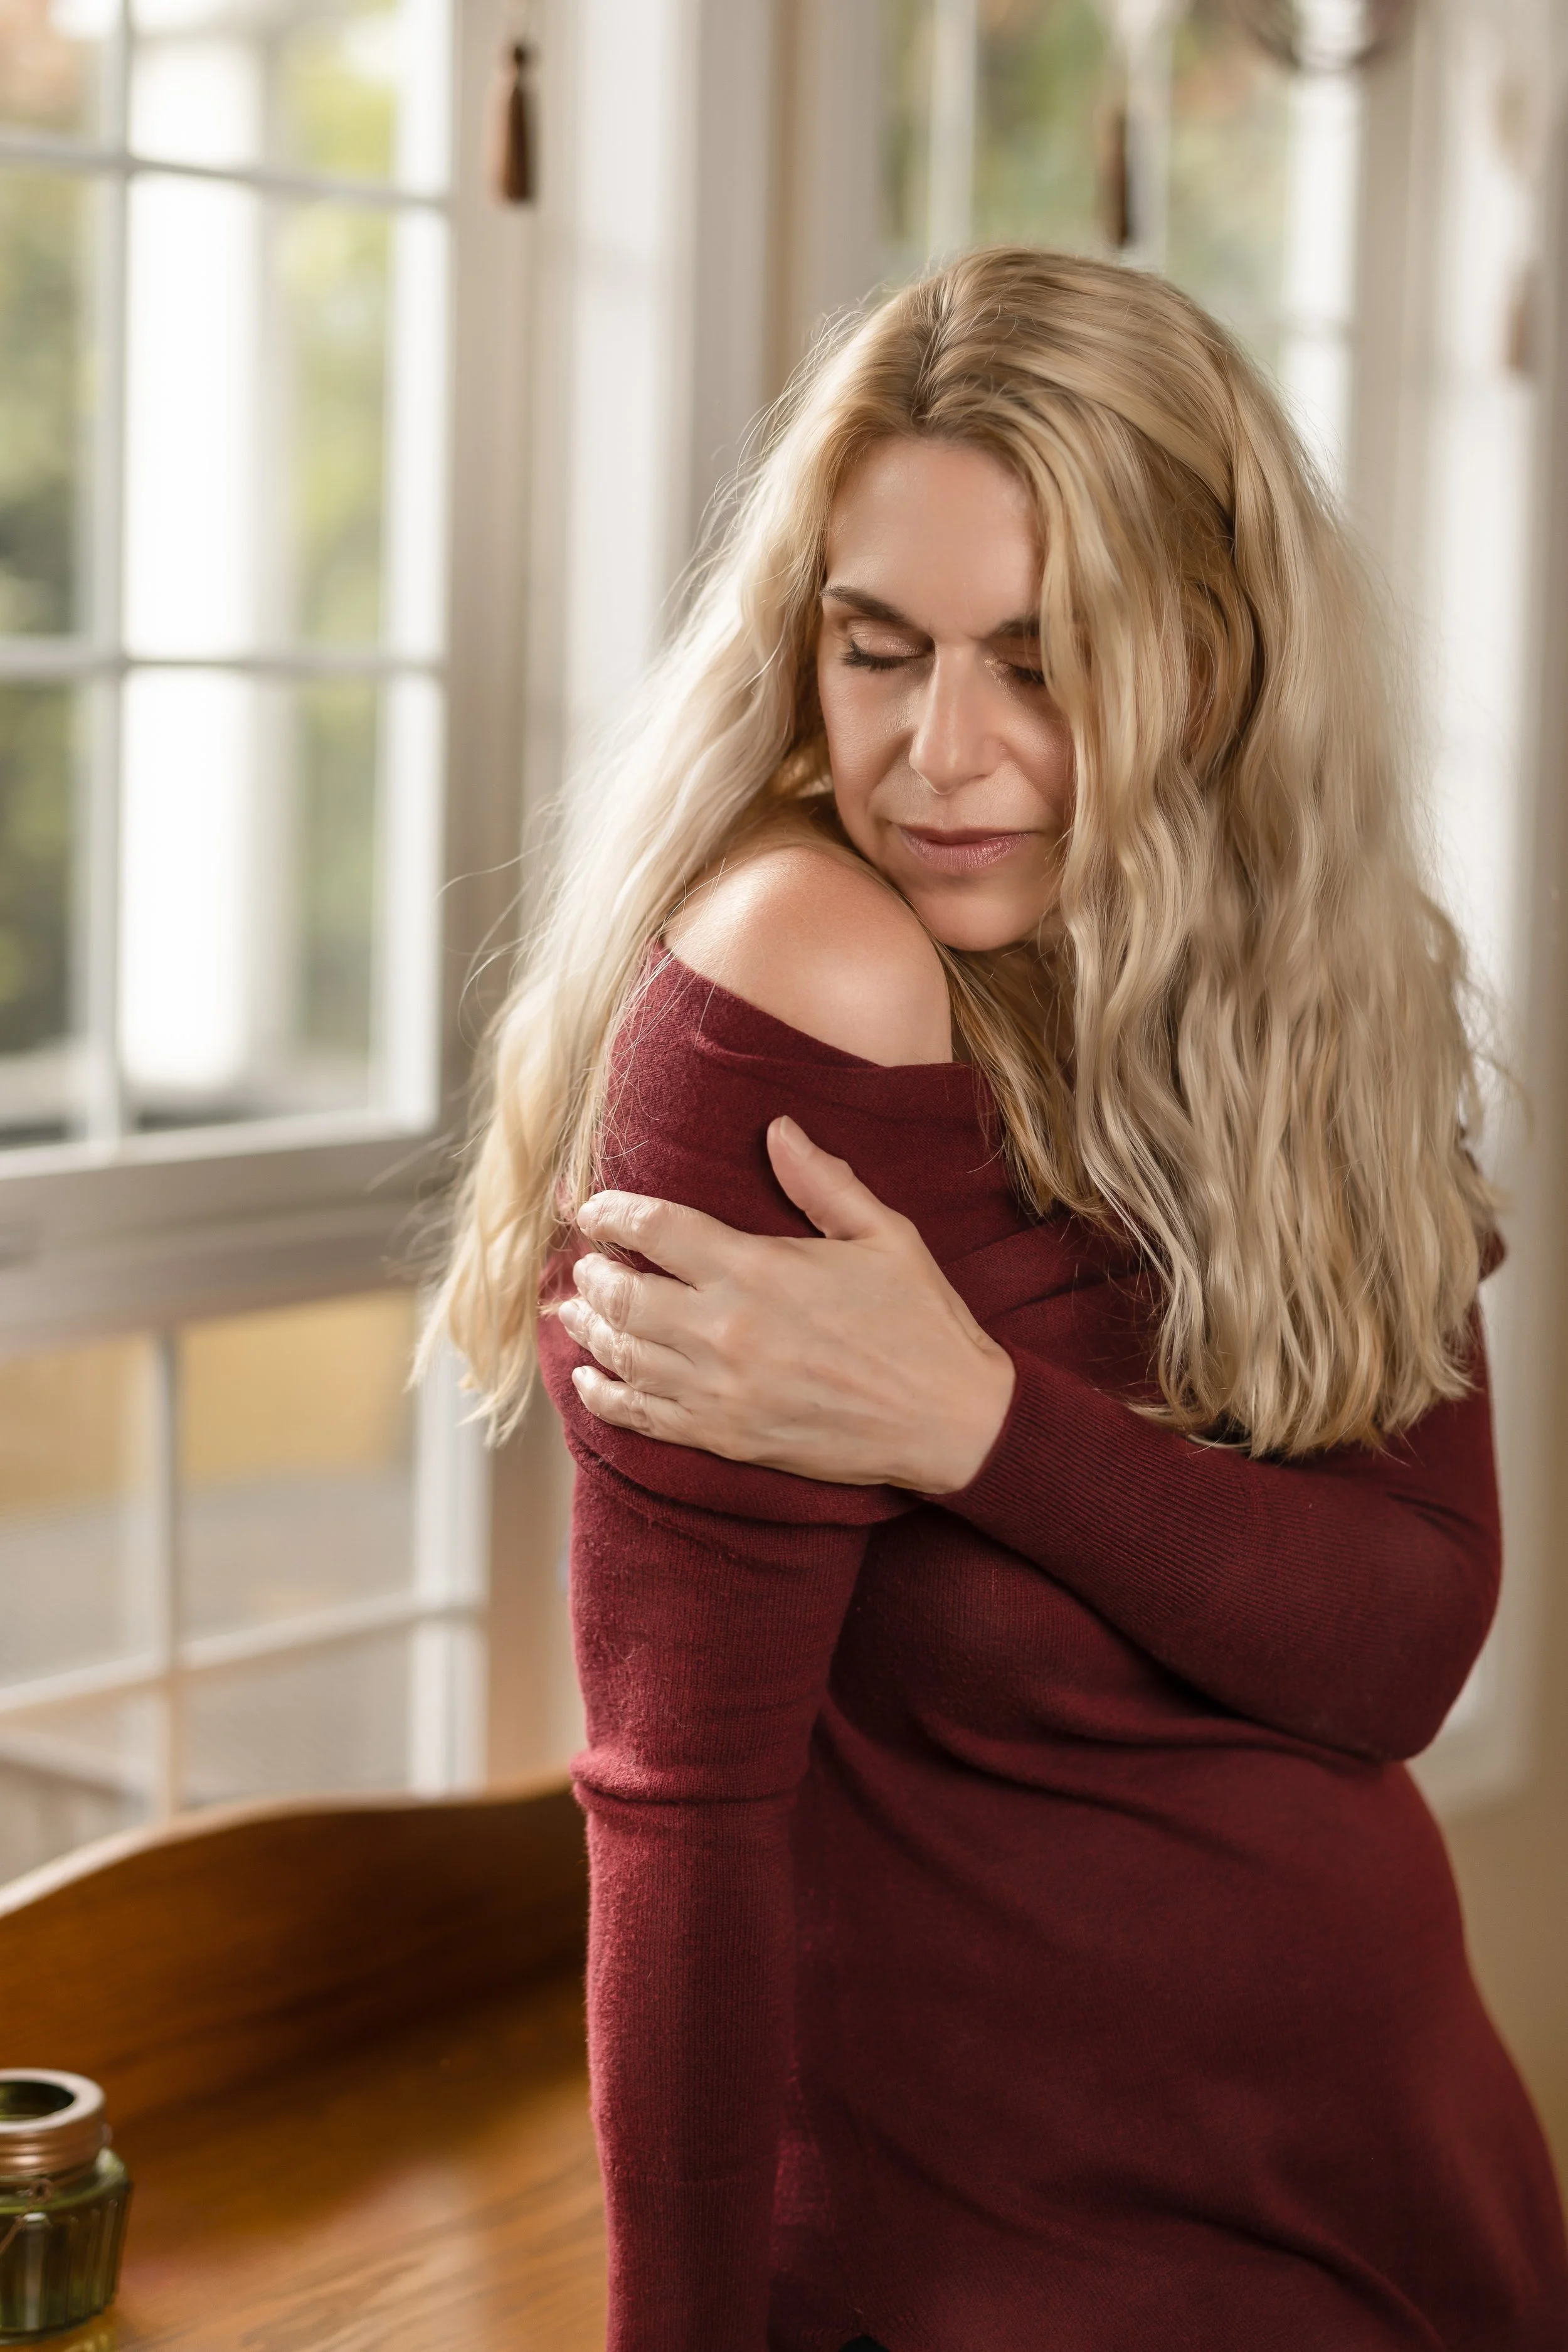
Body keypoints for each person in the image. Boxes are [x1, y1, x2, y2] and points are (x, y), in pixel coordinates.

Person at [435, 248, 1568, 2350]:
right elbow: (681, 1809)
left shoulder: (1318, 989)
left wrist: (977, 1427)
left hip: (1401, 2175)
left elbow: (1399, 1640)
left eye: (1045, 667)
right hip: (1013, 2257)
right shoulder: (803, 979)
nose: (942, 757)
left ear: (1216, 663)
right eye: (879, 652)